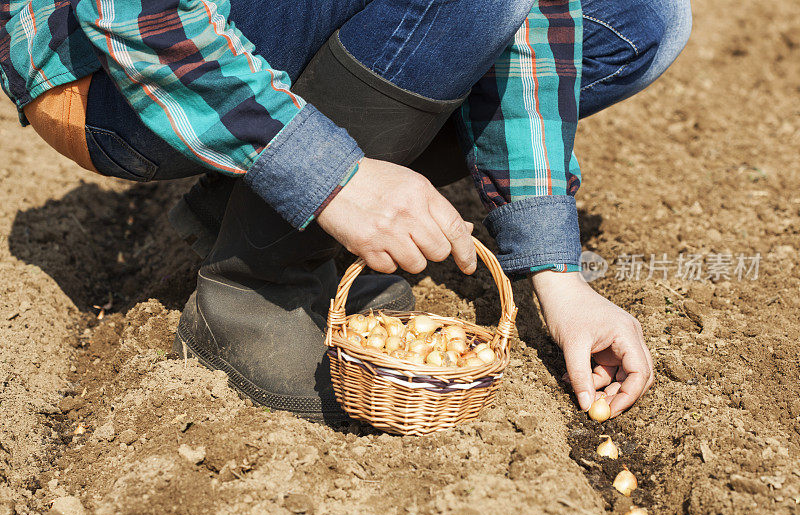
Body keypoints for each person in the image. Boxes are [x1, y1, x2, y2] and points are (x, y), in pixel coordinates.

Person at [1, 0, 691, 421]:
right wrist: (333, 179)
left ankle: (251, 195)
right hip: (104, 72)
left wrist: (555, 272)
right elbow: (138, 19)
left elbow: (528, 26)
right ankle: (253, 291)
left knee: (641, 16)